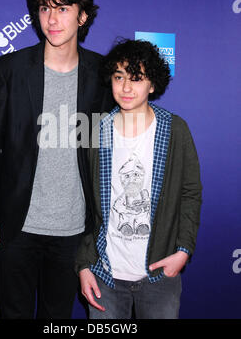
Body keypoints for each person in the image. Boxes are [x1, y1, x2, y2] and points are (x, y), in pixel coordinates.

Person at [0, 0, 114, 319]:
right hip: (17, 226)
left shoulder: (101, 74)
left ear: (83, 16)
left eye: (63, 8)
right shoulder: (11, 69)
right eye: (45, 8)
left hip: (74, 232)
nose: (52, 19)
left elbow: (107, 153)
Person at [75, 39, 202, 319]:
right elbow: (81, 200)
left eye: (137, 78)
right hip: (104, 275)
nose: (126, 87)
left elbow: (190, 193)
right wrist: (83, 265)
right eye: (119, 77)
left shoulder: (175, 129)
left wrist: (183, 250)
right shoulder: (95, 129)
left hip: (159, 275)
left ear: (152, 84)